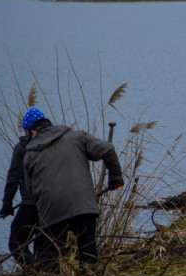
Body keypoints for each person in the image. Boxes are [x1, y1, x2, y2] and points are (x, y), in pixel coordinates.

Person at [20, 107, 124, 266]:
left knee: (50, 255)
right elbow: (107, 150)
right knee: (88, 248)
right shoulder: (77, 137)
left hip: (52, 211)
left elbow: (31, 191)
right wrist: (115, 178)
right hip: (83, 205)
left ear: (33, 132)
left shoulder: (30, 154)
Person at [0, 131, 42, 265]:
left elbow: (13, 177)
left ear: (29, 130)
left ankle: (34, 271)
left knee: (16, 243)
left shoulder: (22, 148)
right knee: (43, 244)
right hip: (52, 204)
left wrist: (7, 204)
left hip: (30, 204)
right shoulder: (55, 145)